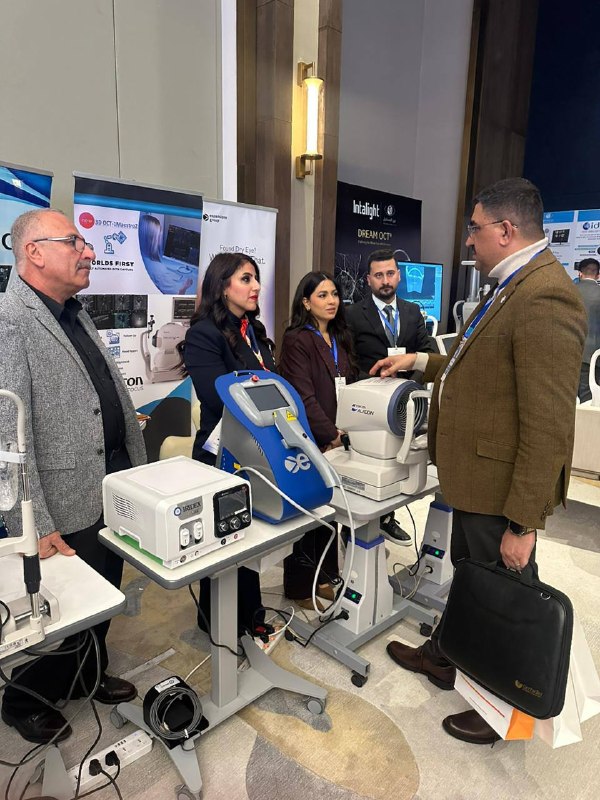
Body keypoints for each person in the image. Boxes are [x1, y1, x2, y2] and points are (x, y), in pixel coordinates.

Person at [371, 178, 586, 745]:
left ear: (506, 230)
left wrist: (523, 523)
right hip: (476, 480)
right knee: (472, 582)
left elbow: (548, 424)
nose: (468, 240)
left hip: (501, 492)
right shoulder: (509, 287)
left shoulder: (545, 296)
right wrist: (418, 362)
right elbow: (476, 368)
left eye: (474, 228)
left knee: (505, 600)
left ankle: (505, 712)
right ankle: (447, 655)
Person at [0, 209, 146, 745]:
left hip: (111, 480)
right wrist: (32, 523)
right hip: (61, 498)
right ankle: (24, 700)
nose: (88, 252)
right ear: (34, 252)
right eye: (74, 242)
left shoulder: (73, 311)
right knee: (64, 611)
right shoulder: (10, 320)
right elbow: (6, 436)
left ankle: (87, 674)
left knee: (105, 591)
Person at [182, 252, 275, 636]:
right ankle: (216, 623)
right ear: (222, 286)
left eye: (256, 278)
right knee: (222, 541)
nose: (256, 287)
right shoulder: (203, 334)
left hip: (256, 446)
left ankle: (251, 615)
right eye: (246, 279)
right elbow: (218, 396)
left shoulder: (253, 329)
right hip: (220, 453)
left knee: (247, 535)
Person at [346, 248, 436, 546]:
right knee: (371, 463)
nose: (385, 280)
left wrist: (410, 387)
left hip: (406, 402)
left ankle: (387, 517)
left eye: (390, 273)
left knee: (398, 461)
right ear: (368, 279)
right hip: (369, 405)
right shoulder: (353, 314)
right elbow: (350, 360)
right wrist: (376, 387)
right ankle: (356, 527)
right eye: (378, 275)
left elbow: (427, 352)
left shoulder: (412, 311)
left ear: (398, 275)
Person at [278, 271, 357, 608]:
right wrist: (330, 434)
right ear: (306, 302)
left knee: (330, 510)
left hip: (339, 434)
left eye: (334, 294)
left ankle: (325, 577)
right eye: (322, 295)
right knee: (309, 514)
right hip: (312, 437)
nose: (331, 301)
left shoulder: (339, 336)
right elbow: (303, 397)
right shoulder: (297, 339)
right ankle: (300, 588)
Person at [575, 257, 600, 402]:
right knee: (588, 399)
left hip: (567, 353)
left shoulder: (568, 291)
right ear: (598, 275)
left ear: (580, 273)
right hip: (593, 356)